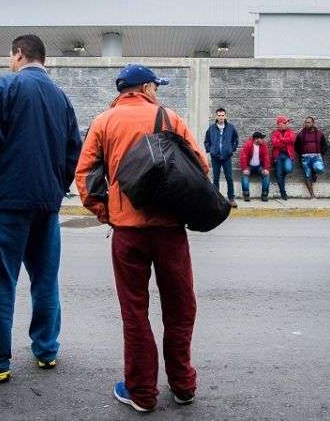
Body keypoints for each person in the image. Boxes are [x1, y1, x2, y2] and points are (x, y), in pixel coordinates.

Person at [75, 64, 208, 413]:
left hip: (128, 235)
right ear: (146, 87)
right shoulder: (169, 118)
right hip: (169, 233)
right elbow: (201, 168)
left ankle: (141, 392)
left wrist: (109, 213)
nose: (157, 91)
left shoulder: (103, 122)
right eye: (156, 86)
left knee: (135, 311)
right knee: (180, 309)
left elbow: (85, 177)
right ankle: (183, 385)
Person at [0, 34, 82, 384]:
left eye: (10, 55)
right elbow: (75, 151)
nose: (9, 61)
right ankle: (46, 350)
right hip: (47, 205)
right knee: (45, 278)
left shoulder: (5, 87)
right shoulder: (61, 98)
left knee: (0, 279)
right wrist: (57, 189)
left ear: (19, 54)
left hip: (7, 204)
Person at [204, 108, 239, 207]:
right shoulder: (211, 128)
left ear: (225, 116)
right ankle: (216, 199)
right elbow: (206, 141)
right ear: (216, 116)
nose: (221, 117)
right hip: (215, 157)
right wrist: (210, 150)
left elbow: (235, 140)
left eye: (222, 115)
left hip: (226, 157)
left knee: (229, 178)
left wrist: (231, 150)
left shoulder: (230, 128)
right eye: (219, 115)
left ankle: (231, 199)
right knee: (216, 178)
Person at [294, 116, 327, 199]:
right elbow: (296, 146)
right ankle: (312, 195)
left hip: (317, 156)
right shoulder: (301, 134)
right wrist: (301, 154)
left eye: (308, 122)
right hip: (305, 158)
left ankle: (314, 172)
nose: (307, 124)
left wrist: (321, 153)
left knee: (320, 169)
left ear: (313, 123)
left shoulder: (319, 134)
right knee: (307, 176)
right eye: (306, 122)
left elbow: (324, 145)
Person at [239, 131, 271, 202]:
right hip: (249, 166)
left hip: (259, 166)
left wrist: (266, 169)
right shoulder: (248, 145)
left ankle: (264, 194)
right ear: (256, 139)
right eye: (261, 138)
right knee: (244, 175)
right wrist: (244, 168)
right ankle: (246, 194)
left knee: (266, 175)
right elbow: (243, 157)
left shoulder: (263, 145)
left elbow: (266, 157)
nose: (262, 140)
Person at [270, 115, 296, 200]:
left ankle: (282, 173)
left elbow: (292, 140)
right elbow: (274, 143)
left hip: (288, 155)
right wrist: (285, 141)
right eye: (284, 123)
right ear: (279, 124)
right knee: (278, 175)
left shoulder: (291, 132)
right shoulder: (275, 133)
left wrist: (280, 139)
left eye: (286, 123)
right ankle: (283, 192)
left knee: (288, 169)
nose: (286, 124)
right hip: (278, 156)